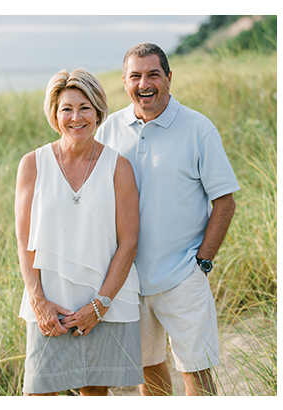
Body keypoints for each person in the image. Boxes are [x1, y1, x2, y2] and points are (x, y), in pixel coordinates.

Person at [95, 42, 239, 396]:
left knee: (197, 373)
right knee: (149, 369)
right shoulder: (109, 130)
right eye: (135, 76)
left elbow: (224, 201)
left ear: (169, 78)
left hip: (182, 275)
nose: (145, 83)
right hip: (128, 280)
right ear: (125, 82)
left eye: (153, 74)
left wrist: (202, 262)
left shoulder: (198, 128)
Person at [15, 68, 142, 395]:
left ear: (99, 112)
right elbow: (24, 240)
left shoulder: (119, 167)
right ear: (54, 115)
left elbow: (128, 243)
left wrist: (100, 305)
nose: (76, 117)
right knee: (38, 393)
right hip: (49, 304)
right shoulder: (32, 164)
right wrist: (38, 300)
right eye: (66, 109)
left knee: (94, 395)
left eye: (84, 107)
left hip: (102, 301)